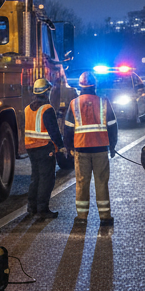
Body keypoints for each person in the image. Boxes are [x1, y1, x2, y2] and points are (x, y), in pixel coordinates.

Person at [64, 70, 118, 225]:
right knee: (101, 182)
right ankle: (105, 217)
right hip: (101, 149)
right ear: (95, 85)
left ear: (80, 86)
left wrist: (68, 148)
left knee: (82, 182)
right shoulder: (103, 102)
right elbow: (113, 126)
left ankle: (82, 217)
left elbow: (67, 128)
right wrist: (112, 146)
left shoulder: (74, 104)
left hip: (81, 149)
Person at [24, 77, 65, 218]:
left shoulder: (28, 109)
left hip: (31, 148)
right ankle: (42, 210)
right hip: (44, 148)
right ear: (47, 91)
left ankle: (32, 207)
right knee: (46, 179)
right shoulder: (47, 109)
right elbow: (54, 131)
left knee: (35, 177)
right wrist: (61, 146)